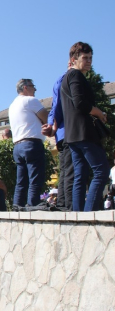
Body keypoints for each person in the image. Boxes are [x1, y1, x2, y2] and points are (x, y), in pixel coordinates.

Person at [61, 42, 109, 211]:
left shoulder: (66, 77)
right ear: (74, 59)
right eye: (85, 58)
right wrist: (98, 112)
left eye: (90, 58)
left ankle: (78, 213)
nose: (89, 61)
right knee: (101, 170)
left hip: (72, 134)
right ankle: (89, 213)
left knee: (80, 175)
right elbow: (80, 103)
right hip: (83, 132)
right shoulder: (75, 76)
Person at [9, 79, 48, 208]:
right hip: (32, 143)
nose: (35, 90)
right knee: (35, 177)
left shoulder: (12, 105)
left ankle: (17, 205)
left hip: (18, 146)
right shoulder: (30, 101)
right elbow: (46, 118)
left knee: (21, 180)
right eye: (33, 86)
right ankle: (33, 204)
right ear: (25, 87)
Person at [42, 64, 74, 211]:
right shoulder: (67, 79)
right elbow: (57, 106)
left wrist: (52, 125)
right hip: (67, 132)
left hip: (62, 133)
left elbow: (55, 106)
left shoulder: (61, 80)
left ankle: (62, 204)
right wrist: (53, 126)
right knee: (70, 171)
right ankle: (67, 205)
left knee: (66, 171)